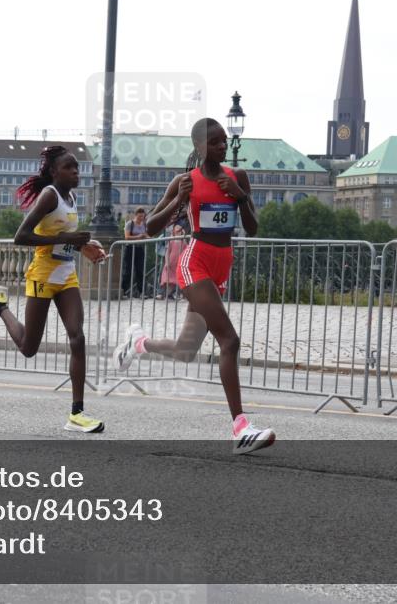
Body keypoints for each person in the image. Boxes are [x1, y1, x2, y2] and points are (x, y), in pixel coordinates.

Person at [112, 118, 275, 455]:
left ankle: (137, 344)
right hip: (195, 261)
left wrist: (242, 198)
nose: (223, 146)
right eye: (215, 142)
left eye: (224, 141)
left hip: (221, 264)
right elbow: (152, 228)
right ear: (199, 147)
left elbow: (253, 228)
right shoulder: (184, 181)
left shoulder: (237, 178)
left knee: (186, 351)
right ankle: (240, 428)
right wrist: (178, 202)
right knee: (229, 340)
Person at [0, 145, 107, 433]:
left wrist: (84, 247)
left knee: (77, 338)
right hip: (43, 274)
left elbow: (62, 239)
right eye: (69, 167)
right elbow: (21, 236)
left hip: (67, 274)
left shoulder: (71, 197)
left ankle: (77, 413)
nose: (76, 172)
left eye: (77, 168)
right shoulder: (50, 195)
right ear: (54, 171)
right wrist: (70, 236)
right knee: (29, 347)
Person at [121, 207, 149, 297]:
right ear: (136, 215)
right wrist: (138, 236)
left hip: (140, 249)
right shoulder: (130, 224)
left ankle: (141, 292)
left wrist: (148, 238)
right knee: (127, 270)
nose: (141, 218)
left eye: (143, 216)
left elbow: (145, 235)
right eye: (140, 216)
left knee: (140, 271)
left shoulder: (144, 224)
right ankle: (124, 291)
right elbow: (127, 237)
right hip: (130, 248)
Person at [157, 224, 186, 300]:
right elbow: (167, 252)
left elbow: (186, 250)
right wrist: (167, 262)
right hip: (170, 263)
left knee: (175, 281)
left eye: (180, 231)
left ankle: (172, 294)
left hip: (178, 264)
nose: (178, 232)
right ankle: (161, 293)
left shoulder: (183, 241)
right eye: (177, 231)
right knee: (165, 279)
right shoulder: (171, 241)